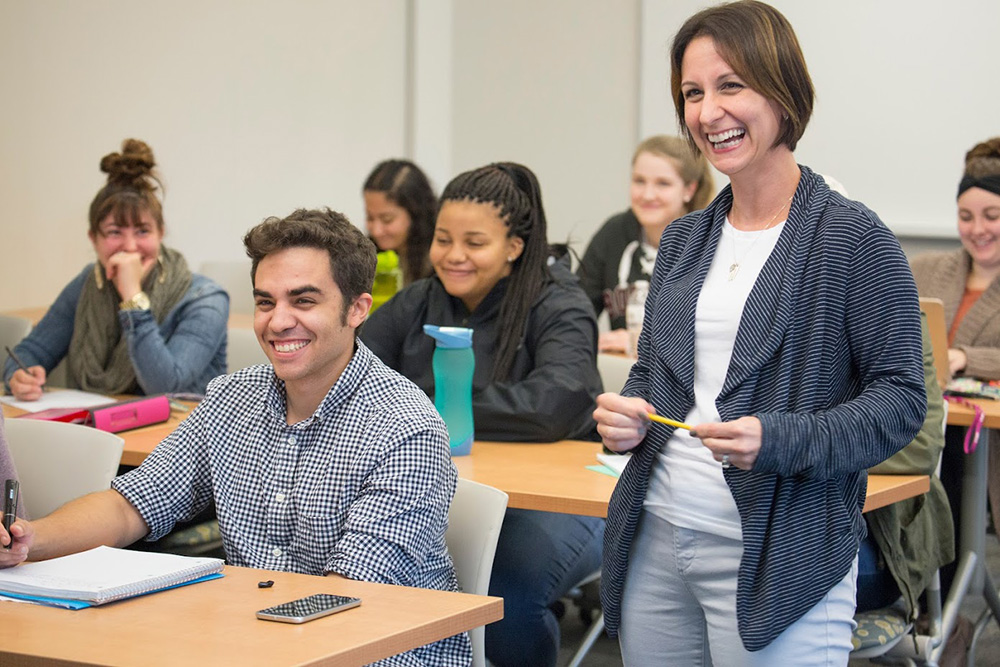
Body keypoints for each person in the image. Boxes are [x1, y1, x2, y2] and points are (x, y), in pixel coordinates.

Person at [593, 2, 926, 663]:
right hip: (658, 534)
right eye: (692, 93)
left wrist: (779, 438)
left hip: (783, 554)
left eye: (730, 85)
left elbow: (900, 403)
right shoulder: (687, 239)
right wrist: (631, 413)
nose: (708, 111)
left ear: (782, 89)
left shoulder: (853, 238)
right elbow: (658, 376)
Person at [1, 208, 471, 666]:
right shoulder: (232, 399)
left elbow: (344, 596)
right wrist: (30, 538)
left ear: (357, 309)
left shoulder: (406, 430)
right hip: (259, 638)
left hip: (374, 651)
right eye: (266, 302)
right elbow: (131, 506)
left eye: (303, 301)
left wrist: (215, 634)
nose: (278, 321)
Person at [361, 162, 604, 667]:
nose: (453, 256)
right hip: (445, 484)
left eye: (474, 242)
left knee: (505, 594)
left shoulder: (559, 304)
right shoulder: (420, 300)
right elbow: (352, 370)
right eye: (443, 239)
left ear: (514, 246)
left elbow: (551, 405)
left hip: (561, 501)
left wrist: (427, 405)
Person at [2, 139, 228, 400]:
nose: (130, 246)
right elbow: (30, 352)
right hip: (98, 431)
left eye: (143, 231)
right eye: (114, 232)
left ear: (161, 234)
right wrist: (18, 376)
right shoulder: (88, 283)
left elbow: (166, 385)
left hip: (179, 435)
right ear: (93, 239)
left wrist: (132, 296)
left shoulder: (205, 298)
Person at [910, 136, 1000, 590]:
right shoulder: (925, 269)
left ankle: (950, 611)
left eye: (991, 216)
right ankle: (924, 604)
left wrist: (967, 357)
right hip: (931, 425)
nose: (977, 229)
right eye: (966, 217)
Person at [577, 135, 714, 352]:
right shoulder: (615, 233)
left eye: (663, 184)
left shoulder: (709, 240)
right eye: (639, 181)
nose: (648, 195)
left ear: (689, 190)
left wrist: (637, 342)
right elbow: (576, 309)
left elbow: (716, 335)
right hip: (624, 377)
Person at [363, 159, 437, 286]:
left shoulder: (438, 261)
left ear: (415, 214)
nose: (376, 230)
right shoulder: (364, 257)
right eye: (370, 218)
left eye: (387, 219)